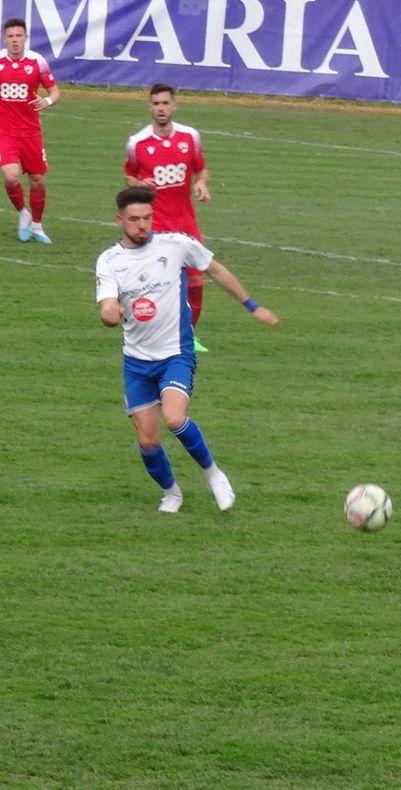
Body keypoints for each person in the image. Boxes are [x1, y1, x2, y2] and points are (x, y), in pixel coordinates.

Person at [95, 188, 279, 513]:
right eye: (135, 219)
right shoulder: (110, 261)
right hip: (136, 362)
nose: (142, 225)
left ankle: (214, 475)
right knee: (148, 441)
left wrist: (252, 306)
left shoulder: (176, 245)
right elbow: (108, 307)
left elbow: (216, 270)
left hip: (176, 354)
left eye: (147, 218)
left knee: (175, 418)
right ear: (120, 220)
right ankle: (172, 494)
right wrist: (110, 314)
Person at [125, 83, 213, 352]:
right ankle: (153, 335)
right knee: (160, 285)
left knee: (196, 282)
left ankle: (188, 337)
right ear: (149, 107)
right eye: (156, 104)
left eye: (165, 103)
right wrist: (140, 184)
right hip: (157, 226)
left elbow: (201, 169)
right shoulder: (137, 143)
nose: (161, 108)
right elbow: (129, 176)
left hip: (186, 223)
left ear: (174, 105)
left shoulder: (190, 137)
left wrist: (201, 183)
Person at [0, 17, 59, 244]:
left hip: (31, 131)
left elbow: (54, 91)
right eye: (10, 36)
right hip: (5, 131)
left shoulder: (37, 62)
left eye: (19, 36)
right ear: (5, 39)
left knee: (37, 180)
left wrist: (47, 101)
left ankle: (36, 225)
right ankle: (22, 212)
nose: (15, 40)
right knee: (11, 176)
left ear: (26, 37)